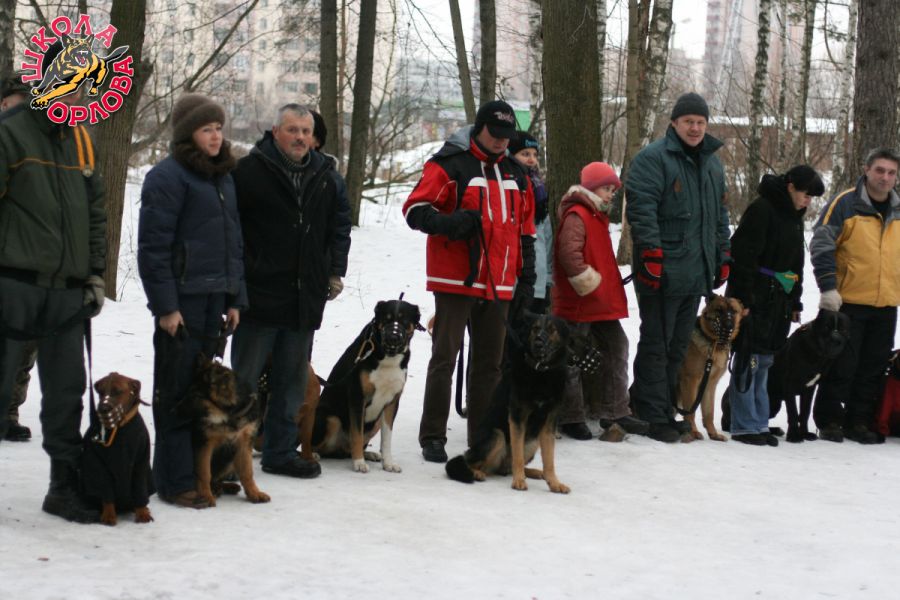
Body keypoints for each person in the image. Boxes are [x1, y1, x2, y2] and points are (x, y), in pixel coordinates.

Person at [402, 99, 536, 463]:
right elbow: (414, 210)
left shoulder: (516, 173)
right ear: (479, 128)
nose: (501, 141)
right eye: (494, 133)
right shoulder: (450, 163)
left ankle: (482, 436)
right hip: (455, 279)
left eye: (506, 135)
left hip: (500, 281)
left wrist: (527, 276)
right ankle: (433, 435)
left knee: (490, 364)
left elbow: (526, 230)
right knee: (444, 357)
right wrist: (449, 223)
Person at [0, 84, 106, 522]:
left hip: (67, 290)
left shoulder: (80, 138)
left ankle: (63, 486)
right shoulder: (9, 132)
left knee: (67, 392)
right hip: (12, 284)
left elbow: (95, 212)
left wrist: (95, 272)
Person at [230, 103, 351, 478]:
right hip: (259, 295)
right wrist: (235, 282)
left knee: (292, 381)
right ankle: (229, 455)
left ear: (313, 137)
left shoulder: (326, 176)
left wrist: (334, 272)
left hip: (304, 296)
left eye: (305, 131)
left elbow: (339, 228)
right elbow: (231, 231)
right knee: (244, 382)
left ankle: (280, 452)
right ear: (275, 132)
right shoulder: (248, 172)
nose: (299, 137)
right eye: (292, 130)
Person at [138, 93, 247, 508]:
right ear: (188, 134)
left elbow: (234, 243)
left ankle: (206, 475)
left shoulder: (222, 177)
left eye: (218, 128)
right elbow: (153, 248)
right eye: (206, 129)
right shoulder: (166, 177)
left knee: (204, 393)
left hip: (214, 301)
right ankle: (175, 480)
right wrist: (166, 307)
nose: (216, 136)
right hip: (182, 303)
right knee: (177, 393)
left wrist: (235, 298)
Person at [625, 92, 731, 443]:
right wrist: (651, 254)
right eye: (689, 122)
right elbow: (641, 209)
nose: (695, 128)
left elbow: (719, 216)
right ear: (674, 123)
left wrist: (722, 255)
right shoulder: (653, 159)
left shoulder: (712, 164)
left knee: (678, 346)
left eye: (700, 122)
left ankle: (666, 408)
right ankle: (650, 413)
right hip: (662, 271)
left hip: (696, 272)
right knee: (657, 343)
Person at [725, 166, 824, 446]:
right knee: (748, 360)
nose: (808, 201)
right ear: (791, 186)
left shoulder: (793, 216)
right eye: (806, 194)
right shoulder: (762, 210)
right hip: (755, 298)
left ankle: (759, 421)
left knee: (766, 362)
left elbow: (795, 265)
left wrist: (795, 300)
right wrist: (743, 300)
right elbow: (743, 257)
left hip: (779, 301)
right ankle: (743, 424)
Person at [810, 147, 900, 444]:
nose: (885, 177)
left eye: (891, 173)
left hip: (886, 303)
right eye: (880, 170)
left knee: (874, 366)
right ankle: (830, 419)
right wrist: (828, 286)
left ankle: (859, 420)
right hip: (847, 302)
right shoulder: (845, 204)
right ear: (866, 170)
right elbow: (822, 243)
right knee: (841, 364)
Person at [553, 162, 648, 441]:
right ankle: (571, 417)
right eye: (606, 188)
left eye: (612, 190)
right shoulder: (578, 215)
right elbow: (569, 254)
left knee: (617, 346)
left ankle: (615, 410)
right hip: (580, 300)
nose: (610, 194)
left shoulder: (596, 215)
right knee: (573, 356)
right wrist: (587, 282)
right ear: (592, 188)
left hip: (598, 302)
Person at [0, 71, 39, 442]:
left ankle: (9, 412)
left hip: (29, 265)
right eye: (17, 103)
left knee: (24, 345)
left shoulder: (41, 151)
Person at [508, 131, 552, 313]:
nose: (532, 159)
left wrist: (548, 280)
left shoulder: (539, 192)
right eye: (525, 154)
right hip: (511, 283)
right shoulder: (508, 188)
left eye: (535, 155)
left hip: (538, 282)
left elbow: (547, 239)